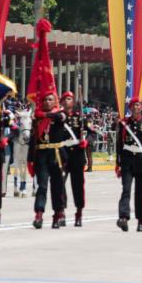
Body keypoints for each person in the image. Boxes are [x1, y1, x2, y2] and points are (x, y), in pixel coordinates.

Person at [28, 92, 68, 230]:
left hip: (56, 155)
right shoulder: (37, 118)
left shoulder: (60, 114)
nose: (47, 102)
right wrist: (30, 159)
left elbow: (61, 117)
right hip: (41, 155)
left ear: (55, 101)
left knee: (57, 187)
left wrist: (46, 115)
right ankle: (38, 214)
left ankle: (57, 214)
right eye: (45, 99)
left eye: (50, 99)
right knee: (42, 186)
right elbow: (33, 139)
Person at [116, 97, 142, 232]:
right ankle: (123, 217)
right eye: (132, 105)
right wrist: (118, 164)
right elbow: (119, 145)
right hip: (127, 160)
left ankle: (141, 220)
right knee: (126, 189)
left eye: (137, 105)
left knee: (141, 192)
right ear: (129, 108)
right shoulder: (123, 123)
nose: (135, 107)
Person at [61, 92, 89, 227]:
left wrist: (85, 141)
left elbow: (92, 132)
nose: (67, 101)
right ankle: (61, 211)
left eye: (69, 99)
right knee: (59, 183)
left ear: (73, 102)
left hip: (77, 154)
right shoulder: (59, 117)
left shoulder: (80, 117)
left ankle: (79, 212)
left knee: (77, 186)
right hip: (62, 153)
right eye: (65, 99)